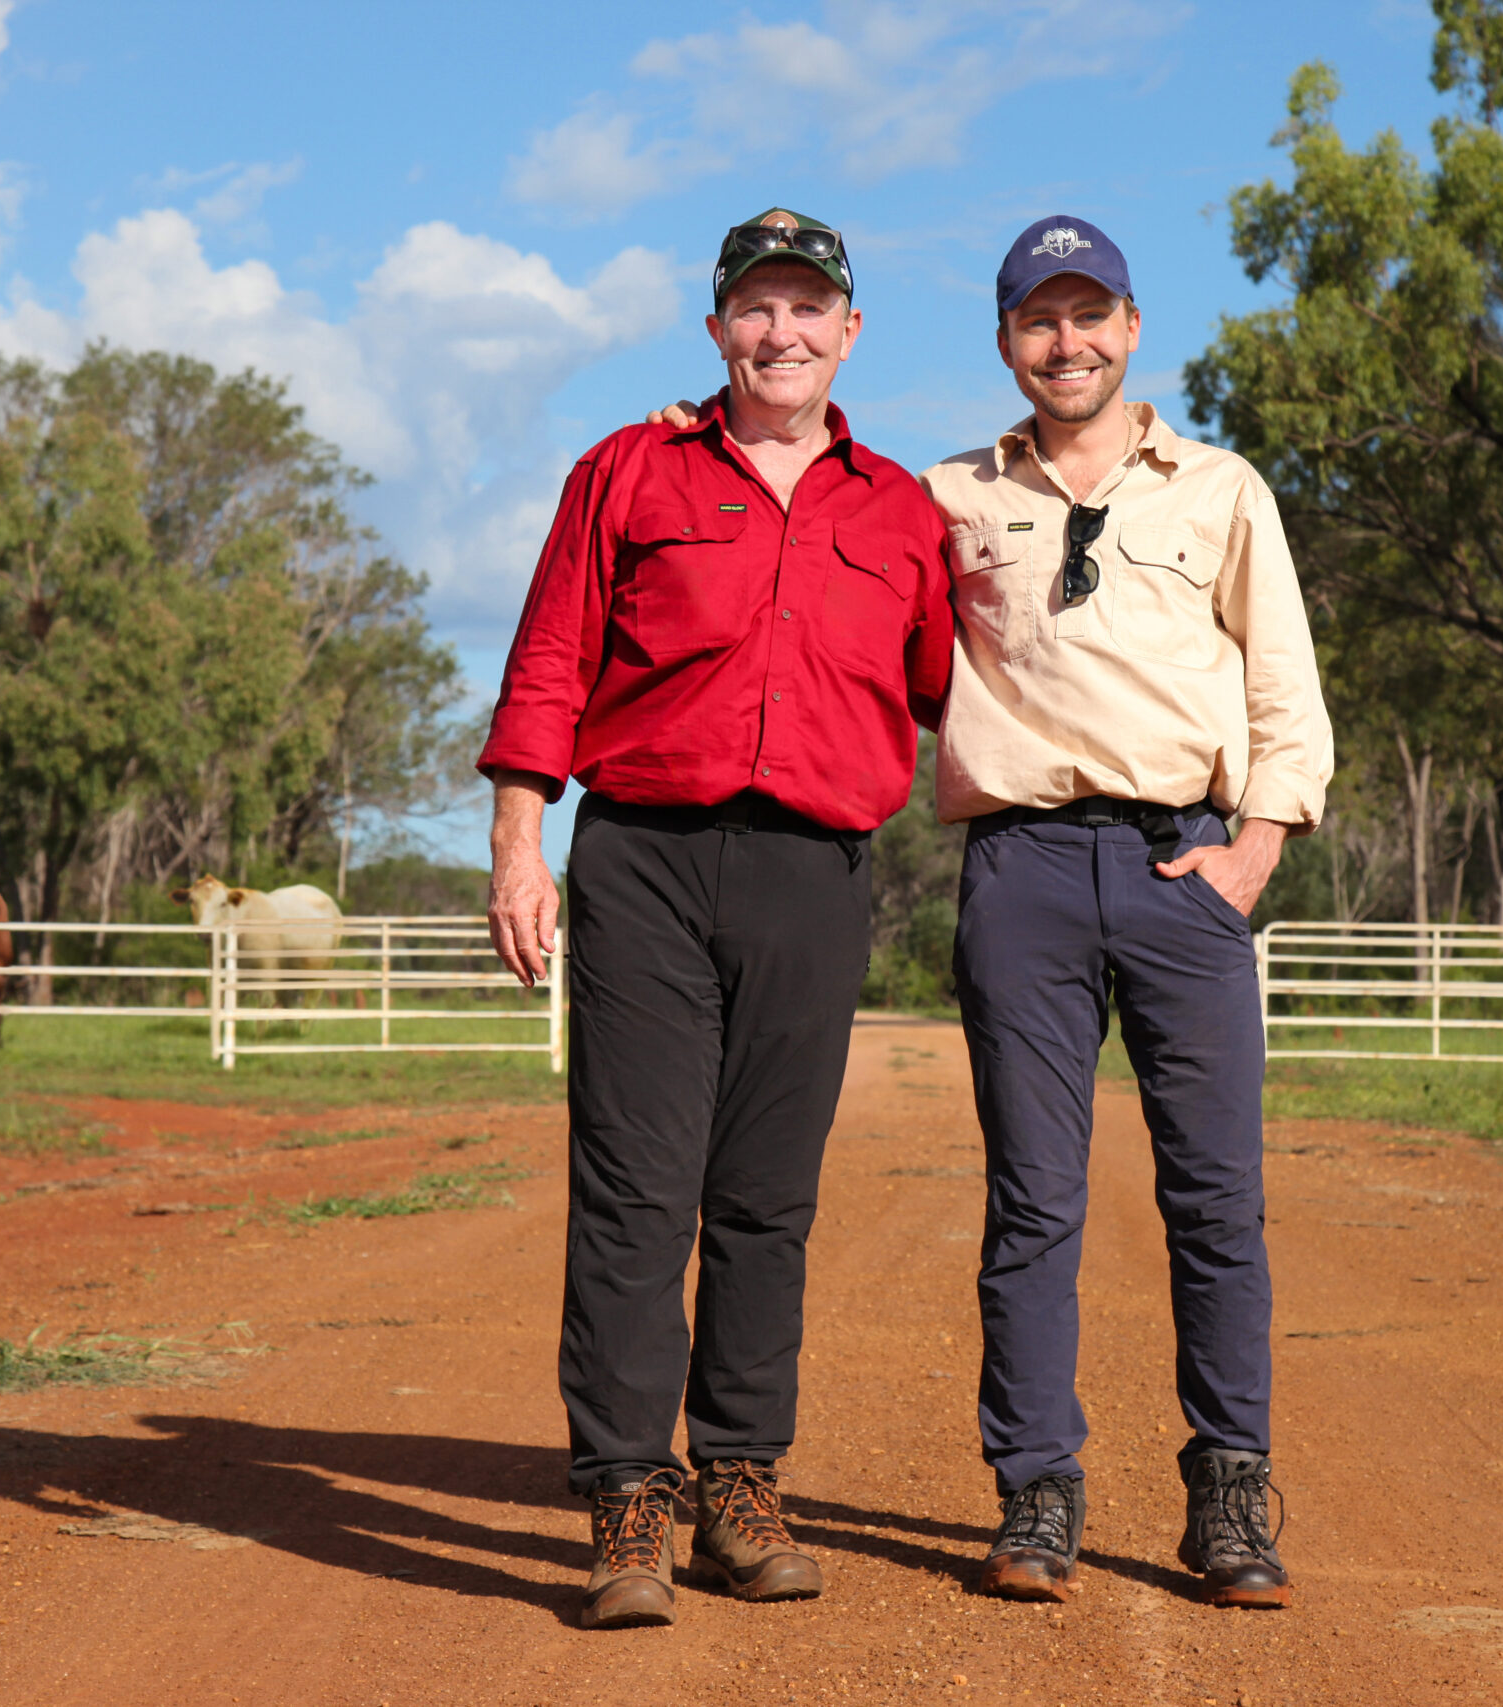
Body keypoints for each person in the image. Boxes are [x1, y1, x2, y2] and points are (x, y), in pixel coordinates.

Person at [478, 208, 954, 1630]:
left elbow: (952, 690)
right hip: (645, 860)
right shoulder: (626, 468)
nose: (782, 332)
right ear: (716, 329)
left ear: (851, 332)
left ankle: (741, 1479)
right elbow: (551, 654)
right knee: (635, 1186)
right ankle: (630, 1494)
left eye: (810, 308)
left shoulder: (904, 513)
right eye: (756, 307)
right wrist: (520, 844)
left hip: (815, 871)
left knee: (767, 1195)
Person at [934, 215, 1332, 1610]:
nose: (1068, 343)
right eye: (1040, 321)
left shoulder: (1221, 491)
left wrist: (1258, 846)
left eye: (1089, 314)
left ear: (1133, 327)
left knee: (1216, 1201)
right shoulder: (949, 499)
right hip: (1023, 874)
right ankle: (1035, 1492)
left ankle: (1229, 1495)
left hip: (1185, 871)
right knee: (1033, 1202)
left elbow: (1284, 683)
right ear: (1006, 342)